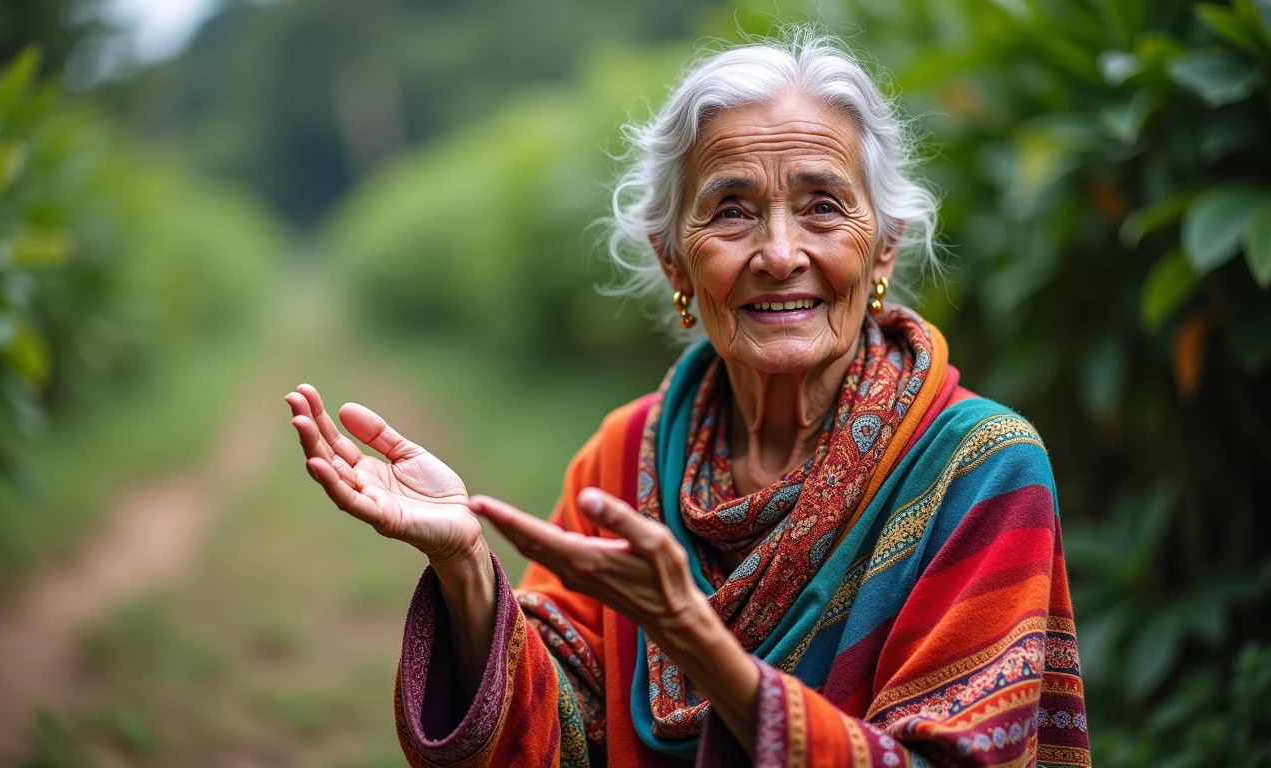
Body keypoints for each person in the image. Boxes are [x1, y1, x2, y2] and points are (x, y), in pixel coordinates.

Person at [284, 29, 1090, 768]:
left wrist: (698, 644)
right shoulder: (624, 454)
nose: (780, 254)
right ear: (674, 261)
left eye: (822, 206)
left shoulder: (981, 469)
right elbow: (561, 736)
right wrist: (466, 570)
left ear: (883, 248)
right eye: (731, 212)